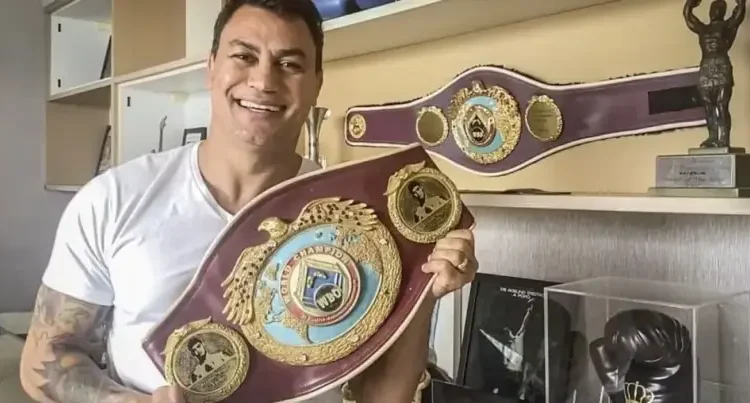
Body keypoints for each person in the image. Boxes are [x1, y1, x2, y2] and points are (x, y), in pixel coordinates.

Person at [18, 1, 479, 402]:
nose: (263, 80)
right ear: (211, 67)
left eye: (290, 64)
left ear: (317, 82)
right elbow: (46, 357)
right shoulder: (113, 199)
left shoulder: (362, 219)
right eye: (244, 56)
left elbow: (379, 398)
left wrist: (423, 293)